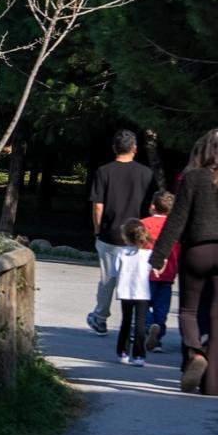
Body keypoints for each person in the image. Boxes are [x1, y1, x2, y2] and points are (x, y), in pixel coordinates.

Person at [148, 128, 218, 395]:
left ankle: (195, 351)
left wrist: (159, 255)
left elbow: (177, 220)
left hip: (197, 251)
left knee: (188, 311)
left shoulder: (193, 177)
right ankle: (213, 385)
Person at [84, 129, 159, 336]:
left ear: (114, 148)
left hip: (111, 233)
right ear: (135, 148)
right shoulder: (146, 174)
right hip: (138, 235)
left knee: (108, 278)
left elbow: (98, 205)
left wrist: (98, 230)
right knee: (137, 279)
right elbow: (153, 206)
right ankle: (138, 322)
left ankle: (100, 318)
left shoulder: (104, 171)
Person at [141, 193, 179, 353]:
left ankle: (149, 325)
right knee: (161, 307)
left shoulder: (143, 224)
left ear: (153, 206)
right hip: (168, 273)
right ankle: (158, 336)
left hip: (147, 272)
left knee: (143, 305)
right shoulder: (175, 227)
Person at [114, 218, 154, 366]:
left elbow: (114, 272)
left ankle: (123, 352)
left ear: (126, 236)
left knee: (125, 321)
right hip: (142, 292)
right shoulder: (149, 254)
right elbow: (155, 270)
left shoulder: (121, 252)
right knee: (140, 324)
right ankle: (139, 356)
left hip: (125, 291)